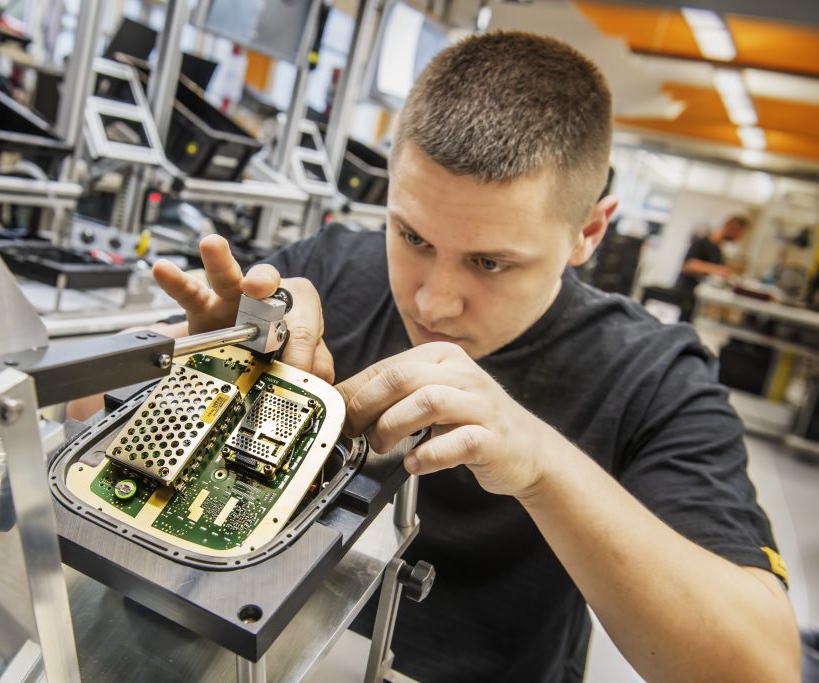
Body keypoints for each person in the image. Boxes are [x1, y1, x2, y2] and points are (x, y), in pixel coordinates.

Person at [146, 32, 799, 681]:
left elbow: (762, 668)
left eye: (490, 262)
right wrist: (195, 378)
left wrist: (539, 463)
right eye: (411, 236)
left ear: (589, 232)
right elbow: (79, 425)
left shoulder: (652, 374)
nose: (435, 302)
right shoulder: (326, 272)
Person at [675, 215, 751, 292]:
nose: (740, 237)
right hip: (685, 293)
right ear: (733, 229)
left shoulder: (718, 249)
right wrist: (717, 269)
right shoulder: (701, 242)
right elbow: (688, 265)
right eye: (740, 234)